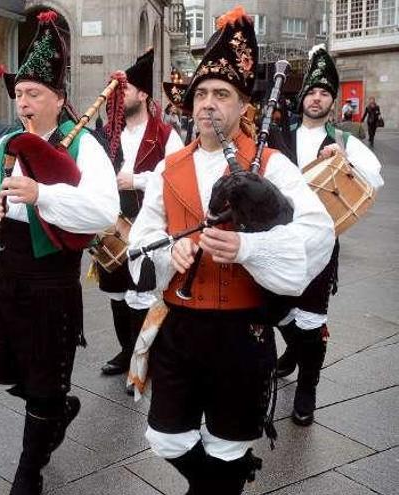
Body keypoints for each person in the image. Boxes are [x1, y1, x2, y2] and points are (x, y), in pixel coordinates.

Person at [127, 7, 334, 493]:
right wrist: (165, 254)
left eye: (222, 94)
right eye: (201, 94)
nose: (208, 104)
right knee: (166, 437)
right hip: (180, 322)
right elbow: (141, 238)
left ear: (245, 107)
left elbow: (318, 234)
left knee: (227, 444)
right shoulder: (168, 167)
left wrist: (247, 247)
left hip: (244, 331)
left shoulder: (272, 164)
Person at [0, 11, 119, 494]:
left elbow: (103, 212)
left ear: (59, 99)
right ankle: (57, 410)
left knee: (46, 380)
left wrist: (41, 194)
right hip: (7, 276)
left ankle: (29, 471)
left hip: (52, 280)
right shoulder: (6, 144)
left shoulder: (83, 146)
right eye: (20, 94)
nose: (24, 103)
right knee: (10, 372)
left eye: (35, 95)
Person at [269, 45, 384, 427]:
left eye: (324, 94)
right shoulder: (280, 134)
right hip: (280, 239)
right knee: (277, 309)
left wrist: (345, 159)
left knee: (312, 318)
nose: (316, 98)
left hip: (320, 244)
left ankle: (307, 388)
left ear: (332, 102)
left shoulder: (343, 140)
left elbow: (375, 176)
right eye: (312, 93)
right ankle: (293, 355)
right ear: (302, 98)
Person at [96, 48, 184, 379]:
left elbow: (176, 176)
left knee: (143, 292)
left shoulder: (165, 133)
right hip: (113, 220)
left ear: (143, 94)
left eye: (125, 89)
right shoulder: (107, 133)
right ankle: (126, 350)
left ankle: (143, 356)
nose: (119, 96)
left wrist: (137, 179)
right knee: (117, 292)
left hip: (149, 220)